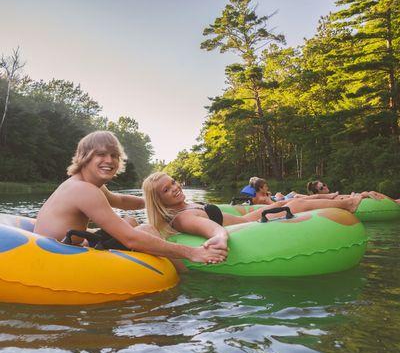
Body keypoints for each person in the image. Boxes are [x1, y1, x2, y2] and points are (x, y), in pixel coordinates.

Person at [34, 131, 227, 268]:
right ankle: (186, 280)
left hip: (67, 244)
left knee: (131, 221)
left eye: (114, 155)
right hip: (56, 258)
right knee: (147, 229)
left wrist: (154, 200)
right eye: (100, 154)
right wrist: (193, 252)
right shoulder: (84, 190)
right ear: (85, 157)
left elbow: (121, 201)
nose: (109, 161)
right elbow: (130, 239)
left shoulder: (88, 184)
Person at [142, 172, 362, 252]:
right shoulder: (184, 217)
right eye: (167, 189)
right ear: (159, 199)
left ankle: (338, 198)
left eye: (173, 182)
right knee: (291, 205)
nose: (175, 188)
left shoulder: (186, 206)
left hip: (244, 218)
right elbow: (213, 229)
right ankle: (348, 204)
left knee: (291, 200)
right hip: (244, 227)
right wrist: (220, 237)